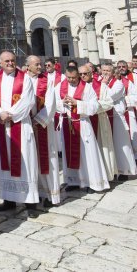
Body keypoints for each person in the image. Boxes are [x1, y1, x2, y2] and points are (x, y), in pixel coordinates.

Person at [0, 51, 39, 211]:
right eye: (7, 61)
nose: (10, 63)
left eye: (13, 60)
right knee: (5, 163)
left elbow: (28, 100)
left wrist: (10, 114)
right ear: (0, 63)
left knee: (26, 162)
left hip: (20, 125)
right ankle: (9, 200)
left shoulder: (25, 78)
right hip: (3, 127)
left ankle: (30, 202)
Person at [56, 65, 109, 193]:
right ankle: (73, 181)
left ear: (78, 76)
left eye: (74, 78)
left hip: (83, 124)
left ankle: (92, 183)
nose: (71, 80)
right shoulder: (60, 86)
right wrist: (62, 103)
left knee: (88, 155)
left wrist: (77, 103)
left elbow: (94, 106)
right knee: (69, 153)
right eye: (68, 77)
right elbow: (53, 103)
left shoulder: (87, 87)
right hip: (67, 124)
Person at [25, 55, 60, 208]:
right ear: (28, 66)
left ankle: (50, 194)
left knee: (47, 159)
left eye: (41, 64)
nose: (40, 67)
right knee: (30, 160)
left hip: (42, 126)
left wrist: (37, 121)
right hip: (25, 127)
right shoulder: (21, 80)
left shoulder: (47, 81)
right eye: (37, 64)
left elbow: (51, 105)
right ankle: (33, 194)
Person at [80, 64, 117, 182]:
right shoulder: (77, 87)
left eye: (85, 73)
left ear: (91, 73)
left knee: (102, 148)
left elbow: (109, 103)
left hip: (99, 120)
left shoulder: (101, 86)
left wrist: (92, 107)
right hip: (83, 122)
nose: (82, 76)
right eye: (80, 74)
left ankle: (104, 176)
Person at [102, 63, 137, 180]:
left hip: (117, 118)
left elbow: (109, 97)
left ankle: (124, 170)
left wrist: (103, 85)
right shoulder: (100, 82)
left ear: (112, 72)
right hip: (105, 117)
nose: (105, 73)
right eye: (104, 70)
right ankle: (110, 170)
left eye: (108, 70)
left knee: (121, 145)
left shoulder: (118, 84)